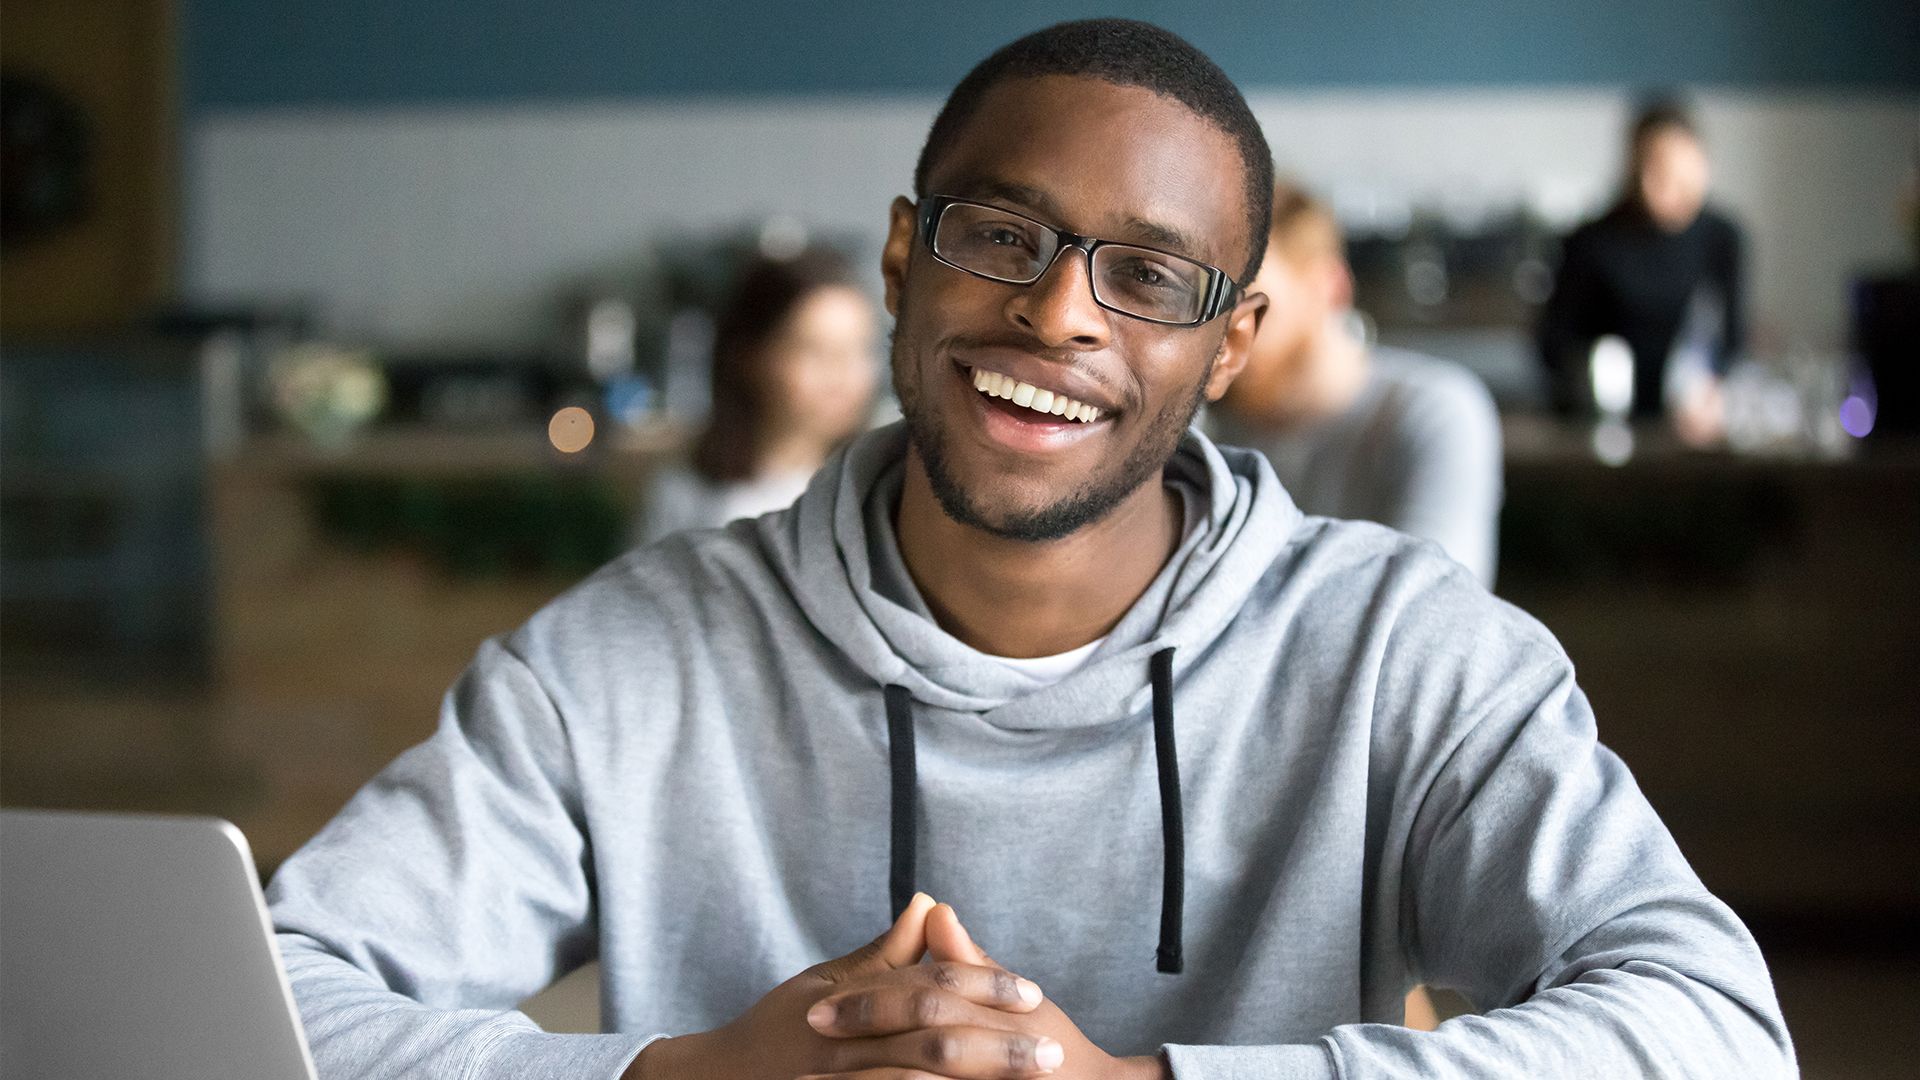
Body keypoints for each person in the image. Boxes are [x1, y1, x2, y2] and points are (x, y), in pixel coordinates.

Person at [268, 20, 1794, 1079]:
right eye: (999, 235)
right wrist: (681, 1075)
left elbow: (1713, 1028)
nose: (1059, 313)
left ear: (1230, 346)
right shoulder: (623, 658)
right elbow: (273, 996)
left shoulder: (1403, 654)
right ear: (897, 261)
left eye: (1145, 276)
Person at [1209, 182, 1502, 586]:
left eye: (1251, 303)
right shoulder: (1207, 423)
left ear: (1330, 288)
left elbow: (1432, 609)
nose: (1220, 337)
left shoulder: (1433, 411)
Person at [1537, 99, 1746, 445]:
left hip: (1695, 429)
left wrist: (1714, 391)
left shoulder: (1723, 238)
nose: (1671, 187)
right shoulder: (1591, 243)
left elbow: (1732, 342)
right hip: (1603, 429)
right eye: (1658, 171)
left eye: (1684, 171)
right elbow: (1552, 346)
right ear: (1633, 171)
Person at [639, 248, 879, 542]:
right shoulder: (685, 494)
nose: (842, 375)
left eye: (859, 349)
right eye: (813, 350)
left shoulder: (879, 495)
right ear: (749, 356)